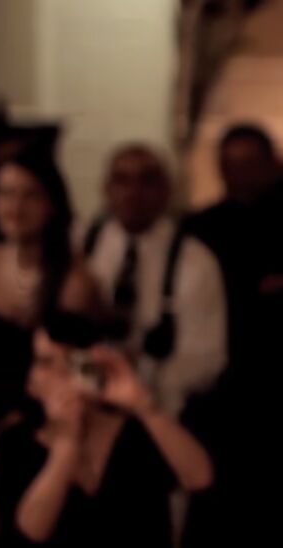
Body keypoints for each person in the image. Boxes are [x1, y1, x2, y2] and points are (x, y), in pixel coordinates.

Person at [183, 124, 283, 547]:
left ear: (273, 163)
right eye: (232, 165)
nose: (243, 174)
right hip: (232, 396)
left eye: (252, 163)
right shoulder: (202, 228)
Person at [0, 150, 99, 547]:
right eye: (5, 193)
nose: (14, 207)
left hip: (44, 413)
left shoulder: (74, 280)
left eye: (29, 194)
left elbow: (82, 371)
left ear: (52, 203)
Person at [0, 313, 213, 547]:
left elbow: (200, 478)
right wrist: (67, 444)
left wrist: (145, 407)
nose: (62, 371)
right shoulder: (17, 444)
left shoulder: (136, 430)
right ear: (30, 383)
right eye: (46, 362)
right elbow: (30, 532)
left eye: (71, 359)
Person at [80, 146, 227, 420]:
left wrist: (139, 381)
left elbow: (206, 356)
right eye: (122, 180)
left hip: (161, 409)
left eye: (146, 180)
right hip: (84, 405)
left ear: (165, 189)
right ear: (106, 188)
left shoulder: (194, 260)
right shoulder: (82, 245)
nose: (133, 192)